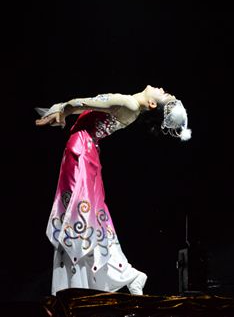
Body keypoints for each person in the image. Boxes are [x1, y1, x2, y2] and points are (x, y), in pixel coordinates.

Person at [35, 85, 191, 296]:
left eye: (163, 94)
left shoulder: (129, 104)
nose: (162, 88)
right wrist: (61, 110)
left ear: (152, 103)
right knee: (88, 218)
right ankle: (124, 273)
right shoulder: (131, 108)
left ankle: (97, 281)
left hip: (81, 152)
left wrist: (61, 110)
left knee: (78, 218)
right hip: (86, 151)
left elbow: (80, 103)